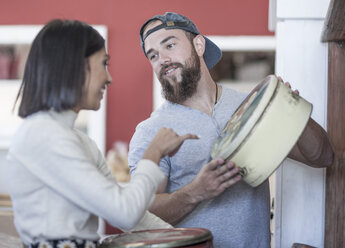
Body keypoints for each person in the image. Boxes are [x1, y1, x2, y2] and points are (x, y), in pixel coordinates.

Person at [128, 12, 334, 248]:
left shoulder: (253, 107)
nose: (162, 59)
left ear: (198, 44)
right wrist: (195, 192)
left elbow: (323, 157)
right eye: (153, 55)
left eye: (170, 45)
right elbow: (142, 215)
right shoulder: (151, 131)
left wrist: (294, 112)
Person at [6, 19, 199, 248]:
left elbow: (133, 216)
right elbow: (124, 213)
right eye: (103, 64)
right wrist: (153, 154)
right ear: (74, 67)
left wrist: (189, 242)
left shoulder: (79, 141)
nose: (109, 78)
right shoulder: (41, 134)